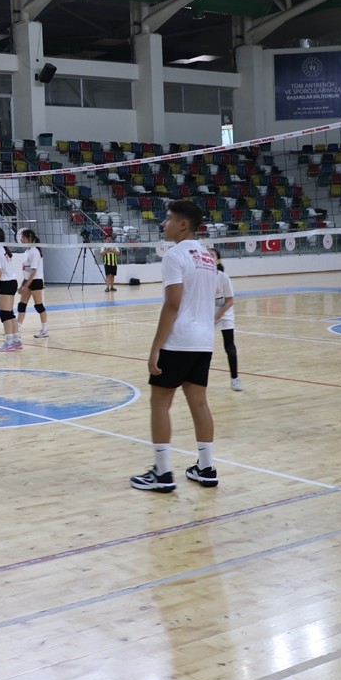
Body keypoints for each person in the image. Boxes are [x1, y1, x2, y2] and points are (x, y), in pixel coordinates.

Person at [131, 200, 219, 493]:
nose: (162, 224)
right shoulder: (207, 256)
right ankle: (206, 468)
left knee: (160, 403)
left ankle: (162, 472)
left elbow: (172, 304)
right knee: (200, 404)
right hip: (204, 340)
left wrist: (156, 347)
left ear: (183, 224)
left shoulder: (174, 255)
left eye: (168, 219)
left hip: (179, 340)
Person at [210, 246, 242, 391]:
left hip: (225, 313)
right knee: (203, 348)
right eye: (206, 255)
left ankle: (235, 378)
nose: (209, 258)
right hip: (208, 314)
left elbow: (230, 301)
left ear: (218, 261)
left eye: (212, 256)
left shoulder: (223, 278)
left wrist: (218, 315)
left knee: (229, 346)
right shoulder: (201, 277)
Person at [16, 228, 49, 339]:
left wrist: (26, 285)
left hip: (36, 281)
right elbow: (26, 271)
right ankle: (17, 330)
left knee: (38, 305)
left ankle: (45, 329)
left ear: (29, 238)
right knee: (22, 305)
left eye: (23, 238)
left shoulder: (35, 251)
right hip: (28, 281)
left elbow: (34, 271)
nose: (21, 239)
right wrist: (23, 284)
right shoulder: (27, 252)